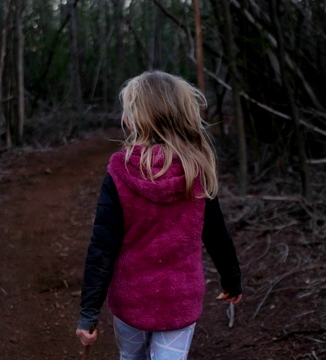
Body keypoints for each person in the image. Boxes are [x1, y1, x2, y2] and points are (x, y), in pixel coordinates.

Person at [76, 70, 243, 360]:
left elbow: (102, 248)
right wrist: (232, 281)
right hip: (179, 301)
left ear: (134, 119)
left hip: (131, 299)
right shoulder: (198, 170)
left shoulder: (120, 171)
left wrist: (88, 314)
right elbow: (217, 235)